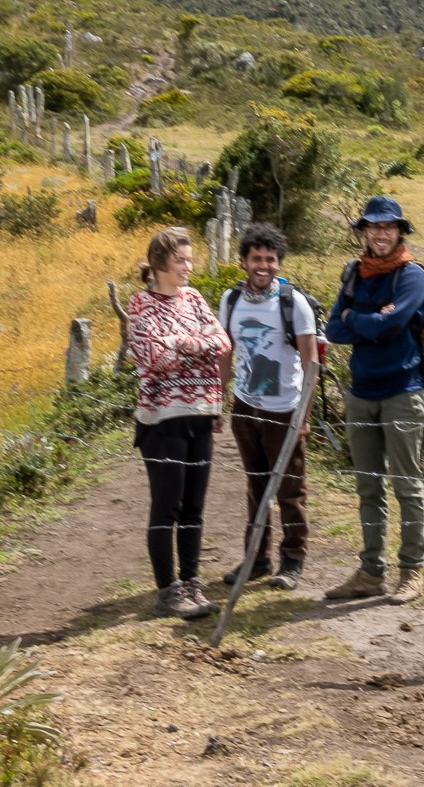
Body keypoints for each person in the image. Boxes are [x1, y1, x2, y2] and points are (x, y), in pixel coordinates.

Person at [324, 196, 424, 605]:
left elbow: (390, 323)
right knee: (368, 486)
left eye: (388, 226)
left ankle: (411, 571)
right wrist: (367, 321)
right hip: (360, 394)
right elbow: (333, 329)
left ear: (400, 231)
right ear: (364, 232)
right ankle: (371, 572)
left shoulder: (411, 276)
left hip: (403, 391)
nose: (381, 233)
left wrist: (359, 318)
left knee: (407, 485)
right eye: (373, 226)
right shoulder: (355, 273)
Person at [126, 226, 231, 619]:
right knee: (166, 506)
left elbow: (222, 343)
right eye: (181, 261)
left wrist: (178, 342)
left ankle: (191, 584)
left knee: (194, 507)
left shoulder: (195, 298)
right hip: (162, 418)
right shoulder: (141, 304)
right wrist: (194, 345)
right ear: (159, 265)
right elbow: (153, 357)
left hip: (201, 413)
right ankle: (167, 590)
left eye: (190, 259)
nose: (189, 267)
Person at [217, 222, 321, 592]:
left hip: (284, 408)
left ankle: (292, 560)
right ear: (244, 261)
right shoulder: (230, 301)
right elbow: (226, 353)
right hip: (245, 407)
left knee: (290, 490)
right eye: (256, 258)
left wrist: (303, 417)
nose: (263, 265)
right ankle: (256, 559)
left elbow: (311, 362)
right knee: (255, 486)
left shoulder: (295, 304)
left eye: (271, 259)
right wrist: (219, 400)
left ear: (279, 263)